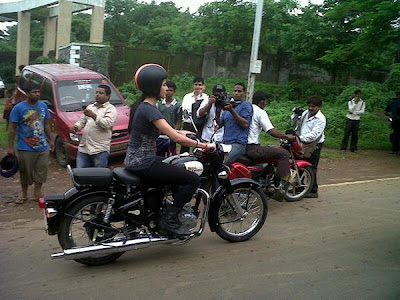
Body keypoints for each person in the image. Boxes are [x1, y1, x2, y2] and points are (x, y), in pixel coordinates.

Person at [124, 64, 215, 236]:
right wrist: (205, 145)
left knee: (172, 166)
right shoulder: (149, 109)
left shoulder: (141, 106)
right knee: (191, 180)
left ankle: (160, 209)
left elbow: (167, 130)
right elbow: (176, 138)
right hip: (143, 163)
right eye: (164, 84)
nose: (166, 88)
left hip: (137, 161)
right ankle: (170, 219)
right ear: (154, 85)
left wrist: (183, 131)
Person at [7, 84, 54, 204]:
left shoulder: (43, 106)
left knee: (41, 170)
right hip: (25, 146)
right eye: (34, 92)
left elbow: (47, 124)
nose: (37, 94)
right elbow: (12, 128)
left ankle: (37, 193)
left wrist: (50, 139)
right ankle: (24, 194)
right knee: (25, 171)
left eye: (38, 92)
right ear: (27, 94)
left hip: (42, 145)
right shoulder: (18, 108)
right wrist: (11, 147)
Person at [246, 91, 295, 200]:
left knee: (268, 149)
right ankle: (276, 184)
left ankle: (266, 175)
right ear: (263, 101)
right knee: (284, 154)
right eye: (265, 101)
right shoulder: (260, 112)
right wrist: (286, 137)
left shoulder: (246, 109)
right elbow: (271, 131)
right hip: (252, 148)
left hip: (241, 146)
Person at [70, 84, 117, 168]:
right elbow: (82, 121)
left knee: (98, 177)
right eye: (96, 92)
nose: (97, 95)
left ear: (108, 96)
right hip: (84, 148)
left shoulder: (111, 109)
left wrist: (94, 116)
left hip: (100, 150)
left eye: (101, 93)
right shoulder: (90, 107)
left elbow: (107, 124)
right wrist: (76, 127)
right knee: (81, 175)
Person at [291, 95, 326, 198]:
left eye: (313, 107)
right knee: (300, 164)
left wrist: (298, 138)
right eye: (309, 106)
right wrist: (295, 115)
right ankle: (299, 187)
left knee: (311, 167)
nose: (310, 108)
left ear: (319, 107)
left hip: (315, 144)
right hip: (303, 142)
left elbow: (314, 135)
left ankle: (313, 190)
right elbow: (294, 124)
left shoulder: (321, 119)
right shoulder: (306, 113)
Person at [216, 82, 253, 165]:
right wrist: (218, 109)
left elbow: (245, 124)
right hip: (225, 143)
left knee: (221, 162)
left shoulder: (245, 105)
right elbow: (219, 124)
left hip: (238, 144)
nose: (236, 93)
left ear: (244, 93)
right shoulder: (229, 105)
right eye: (235, 91)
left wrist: (232, 111)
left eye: (239, 91)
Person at [180, 76, 208, 153]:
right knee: (184, 146)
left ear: (203, 86)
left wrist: (200, 96)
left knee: (198, 146)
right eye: (196, 84)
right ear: (193, 85)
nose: (197, 87)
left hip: (199, 125)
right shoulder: (187, 97)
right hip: (187, 124)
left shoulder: (206, 98)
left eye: (200, 85)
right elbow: (184, 110)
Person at [156, 81, 181, 157]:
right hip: (160, 136)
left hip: (171, 135)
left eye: (171, 90)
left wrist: (176, 133)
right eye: (167, 90)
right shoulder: (159, 105)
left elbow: (179, 121)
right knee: (159, 156)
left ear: (174, 92)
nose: (168, 93)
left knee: (171, 156)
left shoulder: (177, 106)